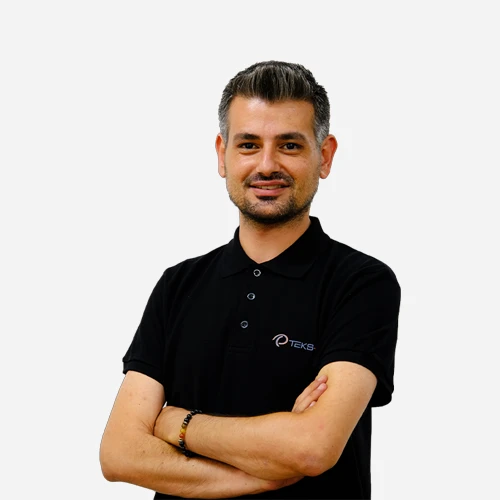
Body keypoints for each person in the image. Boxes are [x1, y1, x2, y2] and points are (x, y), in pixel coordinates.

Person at [100, 60, 401, 499]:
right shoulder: (177, 285)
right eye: (248, 145)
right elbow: (119, 455)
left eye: (290, 145)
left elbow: (312, 447)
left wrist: (177, 423)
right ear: (222, 154)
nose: (266, 164)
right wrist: (264, 471)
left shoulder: (361, 284)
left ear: (325, 156)